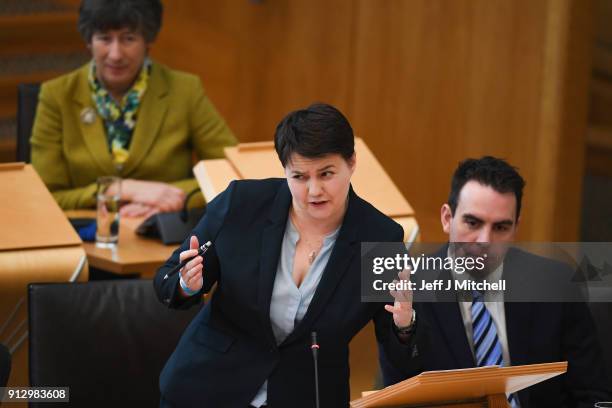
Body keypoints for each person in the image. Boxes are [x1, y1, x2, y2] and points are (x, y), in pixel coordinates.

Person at [154, 103, 405, 407]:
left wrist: (406, 324)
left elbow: (407, 354)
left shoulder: (381, 238)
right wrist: (185, 283)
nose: (314, 191)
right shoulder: (241, 204)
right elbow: (166, 280)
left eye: (326, 174)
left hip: (305, 395)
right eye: (299, 176)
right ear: (285, 170)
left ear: (351, 163)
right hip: (206, 388)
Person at [380, 156, 612, 407]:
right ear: (447, 218)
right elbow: (395, 396)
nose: (484, 240)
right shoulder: (409, 287)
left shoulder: (555, 284)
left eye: (501, 227)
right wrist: (404, 330)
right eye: (473, 222)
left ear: (516, 228)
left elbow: (593, 394)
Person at [31, 0, 236, 217]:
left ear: (147, 39)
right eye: (104, 39)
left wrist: (172, 198)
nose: (116, 54)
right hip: (87, 236)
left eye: (128, 38)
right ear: (89, 41)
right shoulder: (57, 95)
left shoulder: (185, 90)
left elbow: (230, 172)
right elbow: (44, 196)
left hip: (162, 236)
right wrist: (122, 189)